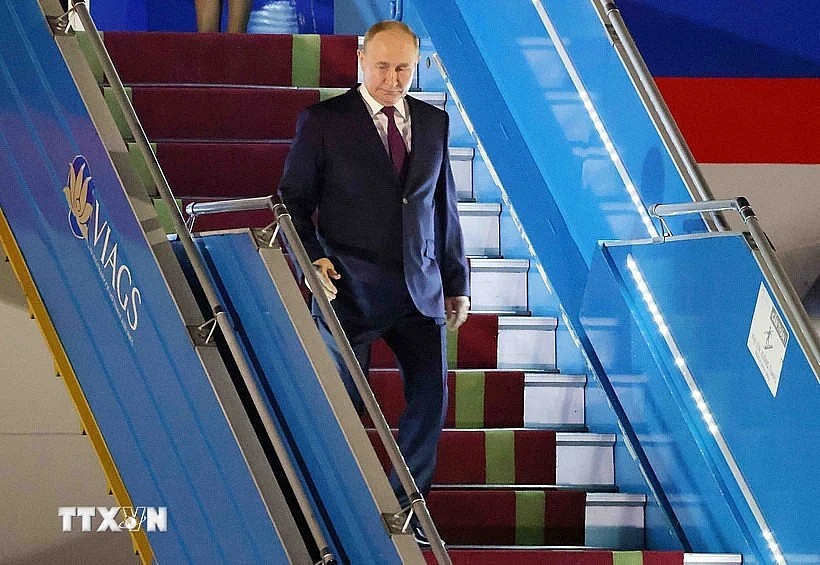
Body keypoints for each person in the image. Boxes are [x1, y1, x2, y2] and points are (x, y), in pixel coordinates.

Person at [277, 20, 470, 545]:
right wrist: (312, 259)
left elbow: (442, 207)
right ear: (362, 60)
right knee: (342, 402)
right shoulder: (323, 121)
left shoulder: (434, 122)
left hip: (420, 288)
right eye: (382, 67)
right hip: (350, 289)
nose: (391, 79)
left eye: (402, 68)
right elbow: (291, 201)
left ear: (417, 65)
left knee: (430, 397)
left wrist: (457, 280)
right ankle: (322, 507)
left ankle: (405, 507)